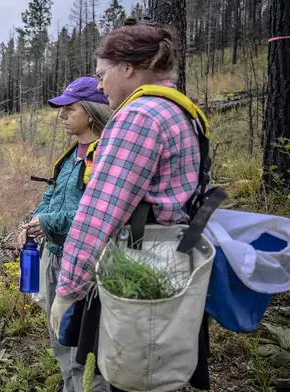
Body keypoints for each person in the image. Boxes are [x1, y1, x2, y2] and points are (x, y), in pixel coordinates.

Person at [49, 21, 213, 392]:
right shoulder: (182, 111)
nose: (100, 84)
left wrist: (68, 289)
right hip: (176, 262)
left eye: (102, 74)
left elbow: (100, 212)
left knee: (132, 378)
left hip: (140, 272)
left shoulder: (138, 117)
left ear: (127, 68)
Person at [18, 76, 113, 392]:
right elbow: (50, 196)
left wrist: (48, 222)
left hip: (86, 266)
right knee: (60, 339)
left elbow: (98, 214)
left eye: (69, 109)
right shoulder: (69, 156)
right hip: (54, 257)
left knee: (86, 349)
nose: (62, 116)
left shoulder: (104, 155)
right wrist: (32, 224)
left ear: (89, 111)